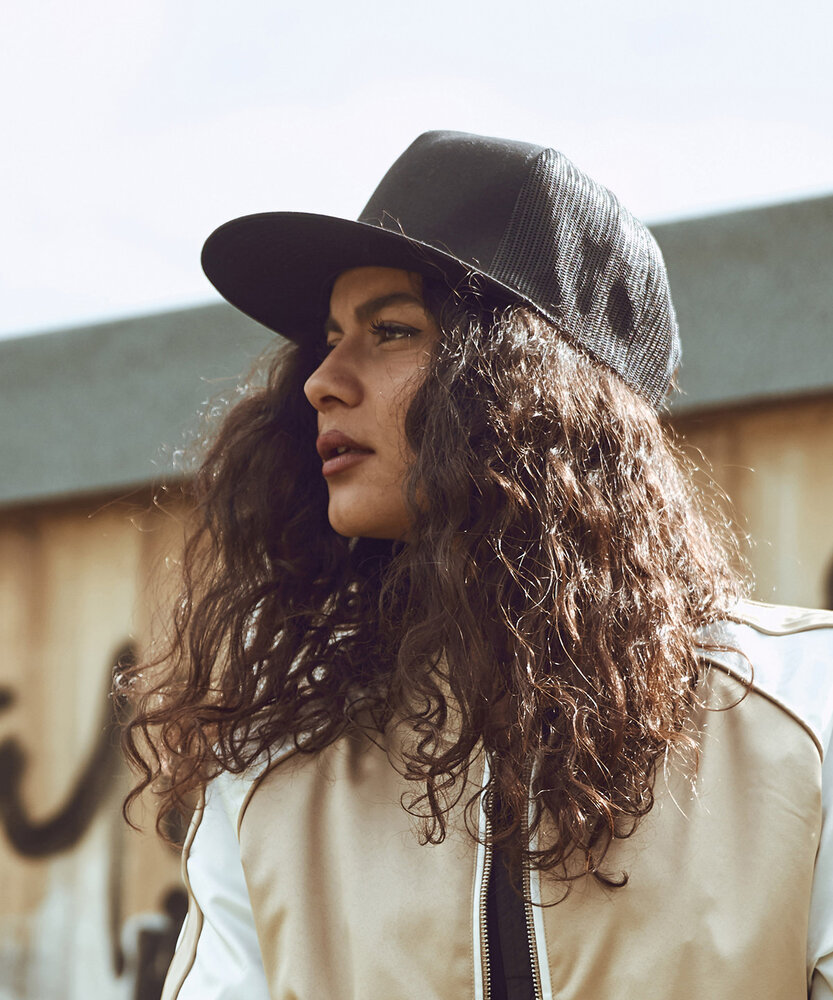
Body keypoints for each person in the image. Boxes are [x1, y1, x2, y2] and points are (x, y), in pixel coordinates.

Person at [122, 131, 833, 1000]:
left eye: (390, 330)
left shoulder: (805, 715)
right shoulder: (270, 772)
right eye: (330, 338)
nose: (320, 381)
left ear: (538, 392)